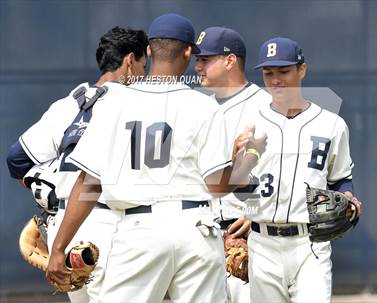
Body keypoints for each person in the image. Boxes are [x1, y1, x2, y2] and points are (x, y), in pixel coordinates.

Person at [46, 13, 266, 303]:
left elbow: (88, 183)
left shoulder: (113, 103)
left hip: (138, 230)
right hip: (195, 228)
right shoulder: (204, 107)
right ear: (188, 52)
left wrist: (60, 246)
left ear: (149, 50)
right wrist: (250, 156)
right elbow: (217, 185)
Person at [6, 26, 148, 302]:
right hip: (115, 226)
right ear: (130, 61)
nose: (143, 75)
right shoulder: (138, 105)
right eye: (143, 66)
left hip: (66, 228)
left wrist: (46, 184)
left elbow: (16, 161)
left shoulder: (69, 104)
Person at [246, 37, 363, 303]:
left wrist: (350, 198)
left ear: (302, 70)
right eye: (268, 72)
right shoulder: (250, 122)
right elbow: (236, 181)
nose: (275, 79)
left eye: (283, 71)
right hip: (262, 242)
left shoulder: (331, 124)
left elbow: (341, 178)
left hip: (310, 243)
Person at [194, 26, 271, 303]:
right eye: (197, 59)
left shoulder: (265, 107)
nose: (198, 66)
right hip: (204, 238)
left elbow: (283, 172)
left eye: (206, 59)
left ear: (230, 61)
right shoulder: (198, 108)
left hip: (249, 238)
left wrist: (257, 213)